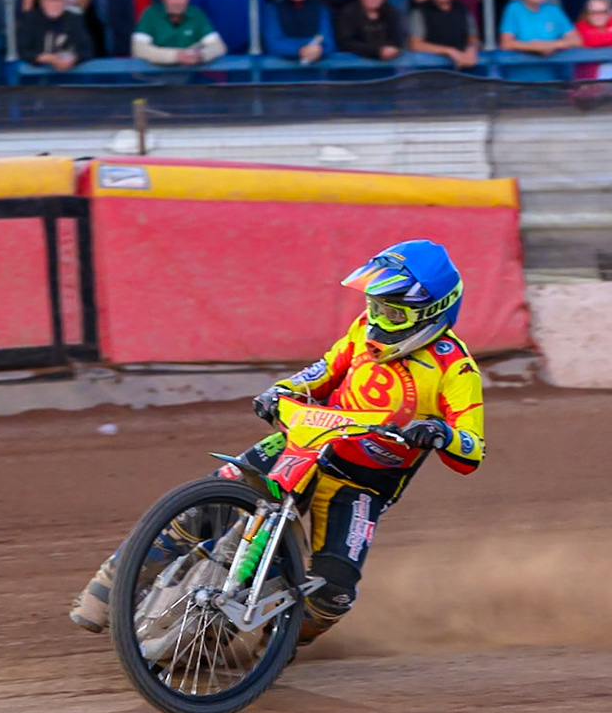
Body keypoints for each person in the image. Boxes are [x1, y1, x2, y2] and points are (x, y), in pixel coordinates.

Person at [70, 242, 488, 645]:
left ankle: (273, 645)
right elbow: (324, 370)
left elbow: (472, 448)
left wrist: (440, 432)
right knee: (201, 507)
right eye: (374, 305)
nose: (377, 318)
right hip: (306, 442)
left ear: (428, 314)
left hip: (361, 484)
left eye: (390, 311)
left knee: (333, 593)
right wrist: (281, 390)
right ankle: (112, 581)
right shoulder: (363, 331)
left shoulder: (456, 368)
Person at [130, 0, 225, 66]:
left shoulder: (196, 14)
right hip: (154, 77)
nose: (177, 1)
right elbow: (139, 49)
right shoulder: (151, 13)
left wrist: (201, 55)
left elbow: (218, 46)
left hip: (190, 77)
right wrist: (176, 56)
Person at [410, 0, 480, 69]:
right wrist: (449, 51)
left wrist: (471, 49)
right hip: (430, 72)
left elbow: (473, 38)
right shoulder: (421, 11)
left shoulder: (463, 9)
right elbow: (416, 45)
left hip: (463, 70)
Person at [262, 0, 334, 64]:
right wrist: (301, 49)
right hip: (280, 71)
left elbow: (328, 43)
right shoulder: (273, 8)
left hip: (315, 72)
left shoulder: (321, 8)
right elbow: (273, 44)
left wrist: (318, 50)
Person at [17, 0, 93, 71]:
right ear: (42, 0)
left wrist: (73, 59)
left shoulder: (74, 20)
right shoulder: (29, 20)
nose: (56, 4)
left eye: (60, 0)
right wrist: (47, 59)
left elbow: (87, 49)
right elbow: (22, 50)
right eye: (51, 0)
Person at [500, 0, 580, 55]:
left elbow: (576, 41)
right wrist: (535, 47)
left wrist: (550, 45)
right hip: (523, 66)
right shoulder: (513, 9)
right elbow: (506, 44)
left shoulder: (554, 11)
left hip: (551, 66)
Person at [336, 0, 404, 61]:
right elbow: (347, 43)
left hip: (387, 66)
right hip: (355, 67)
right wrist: (377, 51)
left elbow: (397, 40)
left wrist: (391, 50)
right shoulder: (348, 13)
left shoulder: (391, 11)